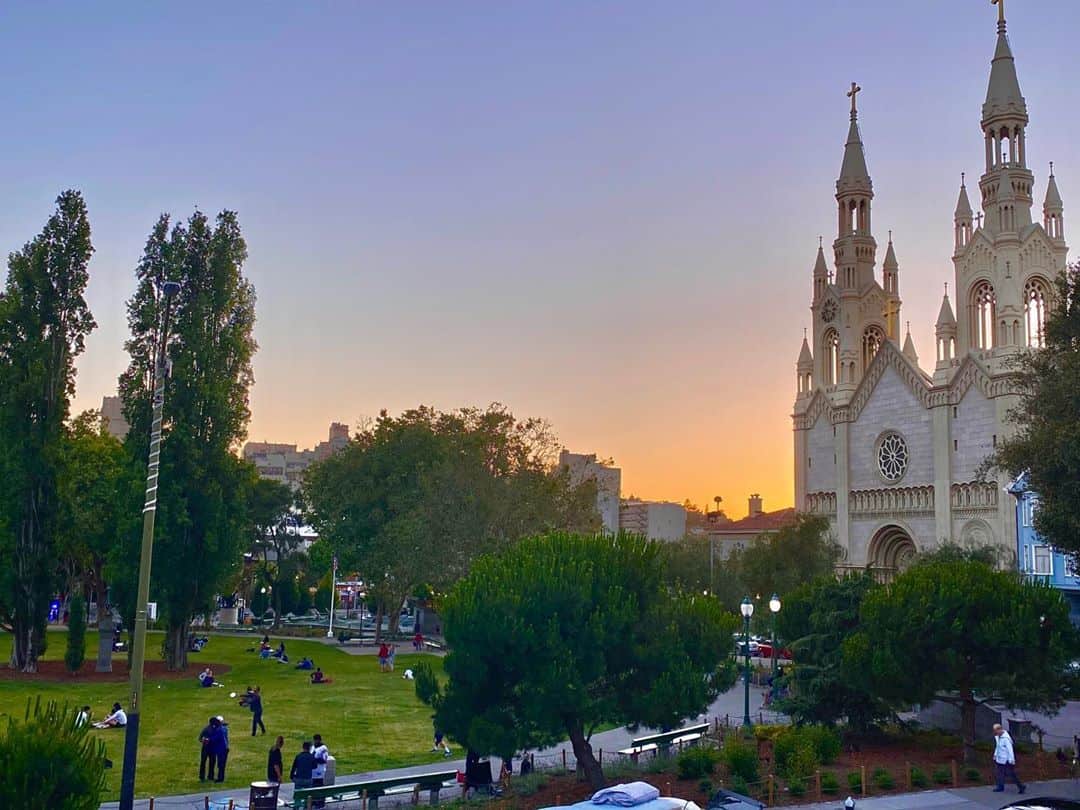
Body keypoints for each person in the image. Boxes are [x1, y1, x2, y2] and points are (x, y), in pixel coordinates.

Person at [992, 723, 1026, 794]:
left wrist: (1011, 759)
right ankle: (1000, 787)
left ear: (999, 729)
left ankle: (1021, 786)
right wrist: (995, 755)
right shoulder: (998, 737)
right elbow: (998, 747)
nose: (995, 732)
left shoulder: (1006, 739)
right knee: (999, 773)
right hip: (1000, 758)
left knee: (1011, 774)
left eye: (995, 731)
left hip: (1006, 760)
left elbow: (1010, 750)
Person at [311, 733, 330, 808]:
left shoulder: (323, 748)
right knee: (313, 787)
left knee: (319, 786)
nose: (315, 742)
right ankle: (314, 801)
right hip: (313, 771)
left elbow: (324, 760)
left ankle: (321, 802)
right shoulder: (312, 747)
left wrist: (314, 760)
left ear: (319, 740)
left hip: (320, 771)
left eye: (316, 740)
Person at [213, 715, 230, 783]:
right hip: (225, 748)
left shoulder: (219, 729)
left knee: (221, 764)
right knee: (221, 764)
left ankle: (220, 778)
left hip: (221, 748)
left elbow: (216, 738)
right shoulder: (224, 728)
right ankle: (220, 777)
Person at [199, 717, 217, 782]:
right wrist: (205, 740)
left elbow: (200, 738)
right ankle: (207, 776)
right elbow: (200, 738)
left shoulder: (209, 729)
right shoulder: (207, 729)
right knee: (206, 762)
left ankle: (205, 776)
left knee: (210, 762)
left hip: (209, 748)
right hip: (207, 748)